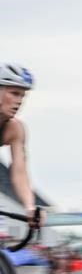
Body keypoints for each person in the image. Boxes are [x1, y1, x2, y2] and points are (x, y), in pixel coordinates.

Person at [0, 63, 45, 229]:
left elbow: (19, 171)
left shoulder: (15, 129)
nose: (19, 101)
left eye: (23, 96)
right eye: (14, 94)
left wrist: (30, 207)